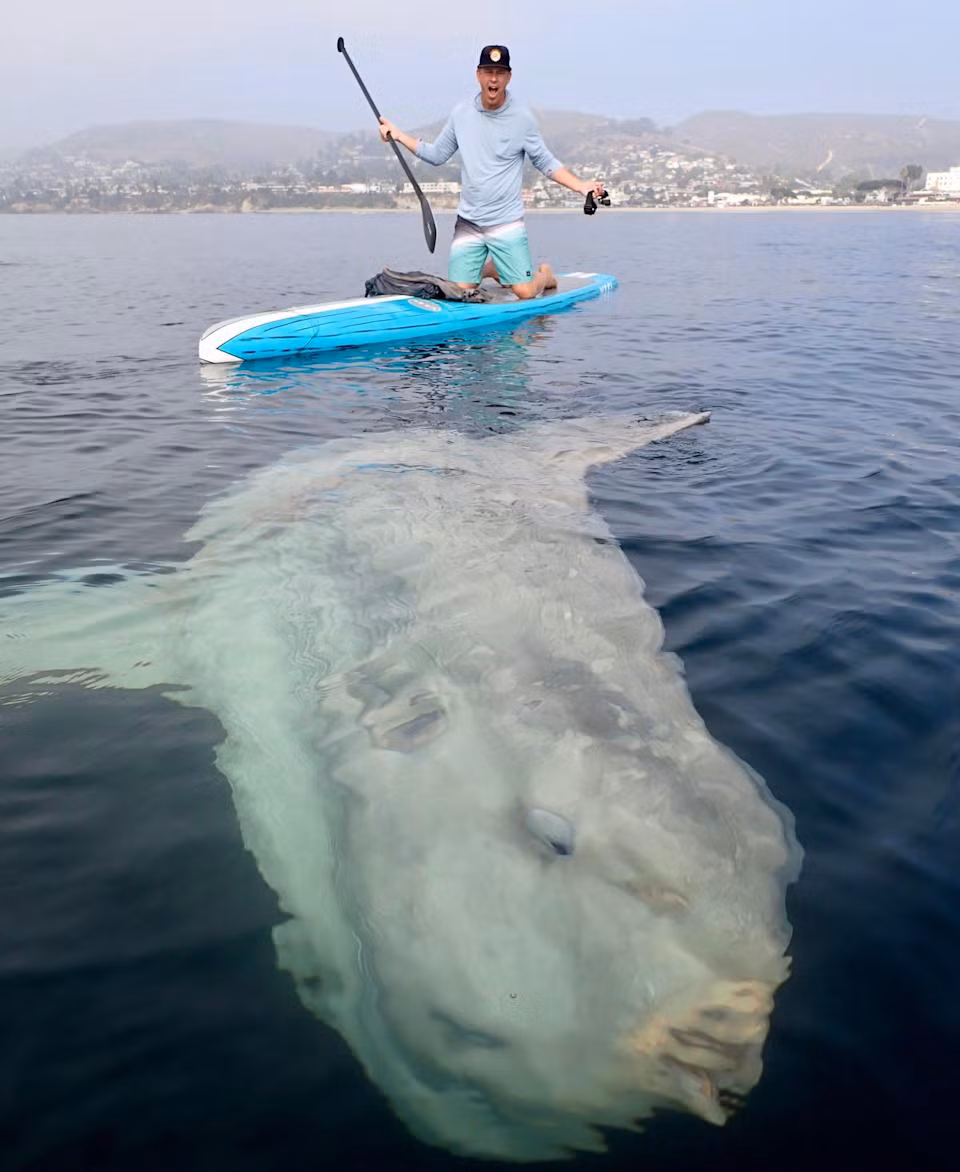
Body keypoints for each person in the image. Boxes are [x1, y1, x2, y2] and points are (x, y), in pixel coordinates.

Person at [378, 44, 607, 301]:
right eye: (488, 71)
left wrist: (581, 186)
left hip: (505, 223)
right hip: (469, 222)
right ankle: (494, 268)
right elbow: (436, 154)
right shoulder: (461, 114)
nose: (494, 78)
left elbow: (546, 162)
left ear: (509, 77)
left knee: (525, 292)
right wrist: (397, 136)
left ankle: (544, 274)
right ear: (478, 75)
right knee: (460, 293)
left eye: (500, 72)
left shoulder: (522, 118)